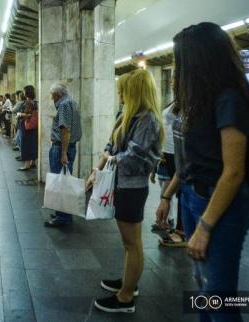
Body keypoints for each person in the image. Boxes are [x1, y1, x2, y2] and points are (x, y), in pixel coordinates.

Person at [156, 22, 249, 322]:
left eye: (180, 60)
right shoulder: (198, 100)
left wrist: (205, 227)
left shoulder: (229, 99)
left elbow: (233, 172)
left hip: (219, 204)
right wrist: (167, 196)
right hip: (192, 195)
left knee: (219, 295)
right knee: (203, 287)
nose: (177, 68)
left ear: (199, 60)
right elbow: (191, 161)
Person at [86, 69, 163, 313]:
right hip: (122, 184)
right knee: (128, 242)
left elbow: (134, 156)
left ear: (135, 92)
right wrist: (97, 170)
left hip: (133, 187)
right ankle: (129, 281)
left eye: (123, 91)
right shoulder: (128, 115)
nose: (119, 95)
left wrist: (111, 158)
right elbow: (111, 144)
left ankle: (126, 297)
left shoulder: (148, 120)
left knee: (133, 243)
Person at [44, 83, 82, 228]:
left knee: (61, 183)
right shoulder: (71, 102)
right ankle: (62, 213)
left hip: (61, 148)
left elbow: (65, 130)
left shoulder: (64, 105)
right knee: (63, 181)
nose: (51, 97)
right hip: (67, 147)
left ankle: (63, 217)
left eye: (51, 94)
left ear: (57, 95)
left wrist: (64, 153)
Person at [152, 101, 186, 247]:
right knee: (166, 187)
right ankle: (171, 221)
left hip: (177, 153)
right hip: (168, 152)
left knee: (182, 193)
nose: (172, 81)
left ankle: (180, 229)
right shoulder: (174, 102)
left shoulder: (186, 102)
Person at [18, 85, 38, 171]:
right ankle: (33, 162)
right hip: (34, 126)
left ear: (27, 93)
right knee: (33, 144)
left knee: (26, 145)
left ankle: (26, 165)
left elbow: (27, 114)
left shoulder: (28, 102)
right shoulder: (35, 102)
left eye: (24, 91)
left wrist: (20, 114)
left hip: (27, 126)